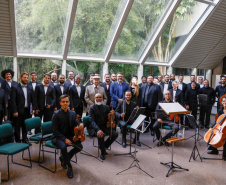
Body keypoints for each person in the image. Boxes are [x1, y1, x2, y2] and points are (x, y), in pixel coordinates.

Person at [52, 94, 83, 178]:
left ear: (69, 102)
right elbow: (55, 131)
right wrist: (64, 139)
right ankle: (69, 166)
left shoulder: (72, 113)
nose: (65, 103)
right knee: (63, 147)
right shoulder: (56, 114)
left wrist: (80, 124)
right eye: (63, 102)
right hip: (58, 137)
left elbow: (76, 122)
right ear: (60, 103)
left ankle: (65, 158)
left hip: (69, 135)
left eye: (66, 101)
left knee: (79, 146)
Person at [88, 93, 118, 160]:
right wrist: (98, 129)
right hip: (94, 128)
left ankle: (103, 147)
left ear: (102, 98)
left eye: (100, 97)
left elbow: (109, 118)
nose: (98, 98)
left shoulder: (106, 107)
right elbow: (91, 121)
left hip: (104, 126)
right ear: (94, 98)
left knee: (115, 134)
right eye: (97, 97)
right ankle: (102, 152)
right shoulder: (91, 108)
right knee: (100, 134)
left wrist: (112, 114)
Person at [11, 72, 33, 143]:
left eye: (27, 77)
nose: (26, 79)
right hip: (18, 111)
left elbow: (32, 99)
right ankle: (17, 141)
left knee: (25, 126)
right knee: (17, 126)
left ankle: (24, 139)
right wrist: (14, 111)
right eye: (24, 77)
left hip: (27, 110)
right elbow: (13, 100)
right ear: (20, 78)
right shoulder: (14, 87)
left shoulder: (30, 87)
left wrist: (33, 109)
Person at [207, 96, 226, 160]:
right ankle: (214, 150)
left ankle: (225, 155)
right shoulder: (220, 110)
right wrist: (212, 127)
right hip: (221, 128)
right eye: (223, 101)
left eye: (225, 101)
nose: (224, 102)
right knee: (211, 134)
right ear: (221, 102)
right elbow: (218, 121)